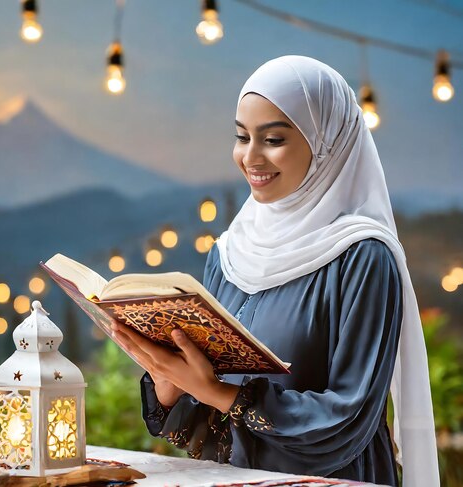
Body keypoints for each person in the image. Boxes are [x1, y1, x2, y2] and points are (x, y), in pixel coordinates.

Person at [111, 56, 439, 486]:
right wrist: (171, 384)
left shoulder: (363, 257)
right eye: (242, 137)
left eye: (273, 139)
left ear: (325, 142)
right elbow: (212, 433)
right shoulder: (230, 253)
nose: (251, 157)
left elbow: (348, 420)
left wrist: (217, 391)